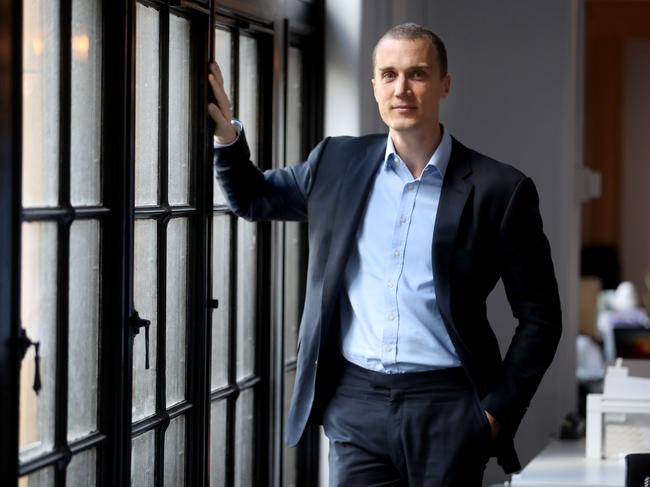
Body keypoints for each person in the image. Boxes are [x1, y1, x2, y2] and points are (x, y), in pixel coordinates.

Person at [209, 22, 562, 487]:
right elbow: (253, 198)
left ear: (444, 84)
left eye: (417, 74)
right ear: (373, 84)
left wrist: (495, 413)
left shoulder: (501, 189)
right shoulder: (335, 163)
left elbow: (541, 317)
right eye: (389, 74)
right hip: (355, 406)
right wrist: (227, 133)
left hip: (449, 407)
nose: (402, 89)